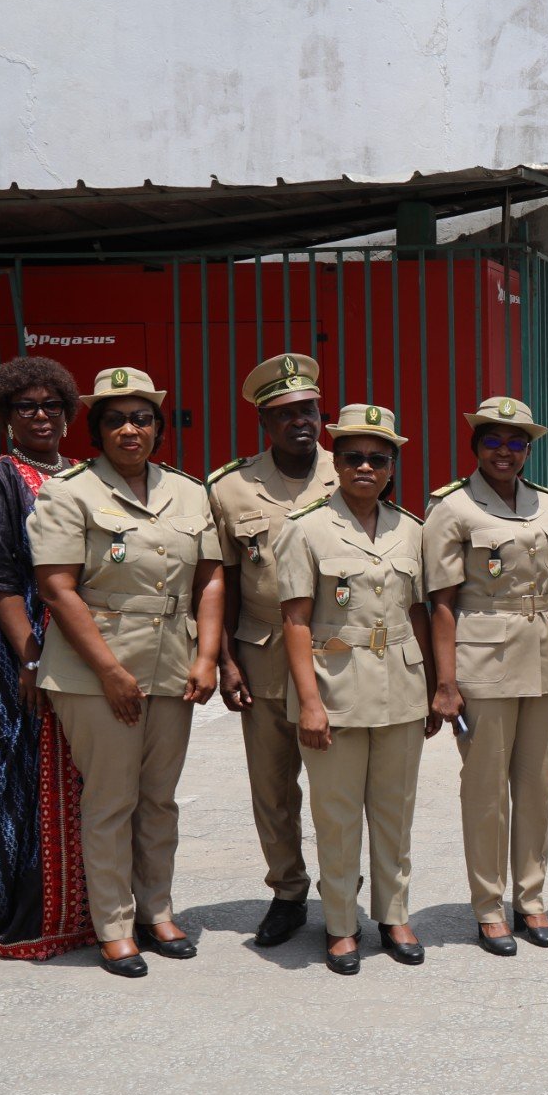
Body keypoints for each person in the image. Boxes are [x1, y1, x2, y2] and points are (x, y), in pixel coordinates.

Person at [30, 366, 225, 978]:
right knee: (112, 799)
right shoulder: (68, 492)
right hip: (95, 671)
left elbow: (210, 579)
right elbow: (57, 588)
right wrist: (110, 671)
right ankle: (114, 926)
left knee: (159, 799)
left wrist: (206, 656)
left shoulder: (189, 492)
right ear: (97, 430)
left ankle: (157, 910)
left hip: (173, 664)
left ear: (158, 428)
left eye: (141, 418)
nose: (129, 429)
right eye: (114, 420)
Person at [277, 404, 437, 974]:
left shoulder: (411, 529)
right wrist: (309, 703)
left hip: (401, 686)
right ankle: (341, 923)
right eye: (352, 457)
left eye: (377, 458)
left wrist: (432, 687)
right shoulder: (305, 528)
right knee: (338, 815)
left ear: (392, 466)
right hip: (334, 690)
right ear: (337, 463)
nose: (365, 466)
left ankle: (393, 915)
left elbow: (418, 613)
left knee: (395, 812)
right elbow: (295, 621)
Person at [424, 396, 548, 956]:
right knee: (486, 791)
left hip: (544, 660)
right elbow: (441, 603)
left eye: (517, 443)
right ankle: (489, 907)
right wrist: (445, 683)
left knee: (536, 787)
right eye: (492, 440)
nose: (505, 451)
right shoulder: (452, 507)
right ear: (476, 446)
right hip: (482, 662)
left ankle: (530, 899)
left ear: (529, 451)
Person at [0, 356, 94, 959]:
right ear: (5, 415)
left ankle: (82, 906)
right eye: (26, 407)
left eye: (52, 406)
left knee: (83, 775)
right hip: (24, 651)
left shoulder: (86, 476)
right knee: (11, 779)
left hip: (83, 647)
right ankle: (11, 909)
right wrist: (32, 659)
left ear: (68, 414)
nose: (41, 416)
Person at [208, 353, 338, 948]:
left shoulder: (353, 469)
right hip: (262, 651)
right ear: (264, 422)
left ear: (321, 413)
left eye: (307, 409)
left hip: (337, 651)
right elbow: (223, 579)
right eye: (284, 413)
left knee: (337, 782)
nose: (299, 421)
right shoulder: (230, 487)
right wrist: (225, 660)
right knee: (273, 786)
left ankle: (341, 892)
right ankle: (288, 892)